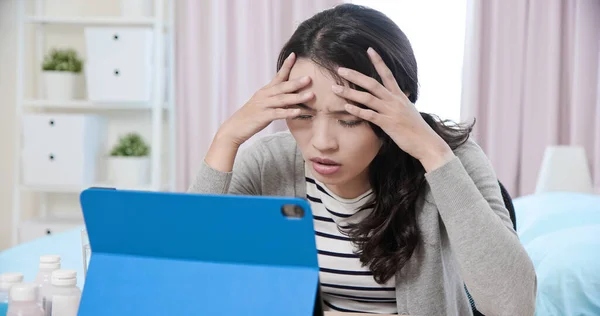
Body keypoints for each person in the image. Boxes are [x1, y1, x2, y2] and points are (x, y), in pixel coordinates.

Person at [189, 3, 536, 316]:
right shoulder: (270, 162)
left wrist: (431, 152)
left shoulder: (450, 157)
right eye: (303, 115)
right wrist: (227, 138)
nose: (322, 143)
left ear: (397, 104)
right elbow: (188, 273)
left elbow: (514, 306)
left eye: (349, 119)